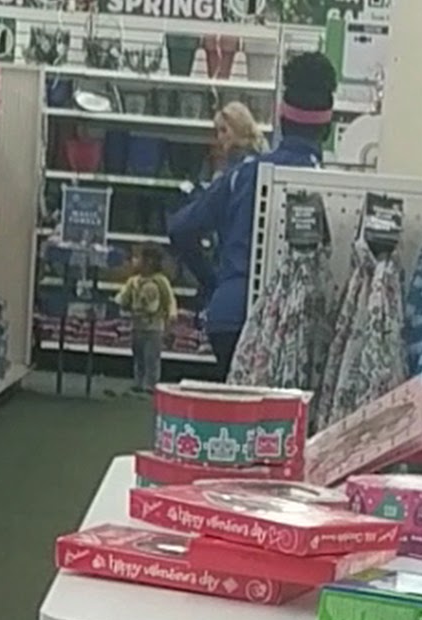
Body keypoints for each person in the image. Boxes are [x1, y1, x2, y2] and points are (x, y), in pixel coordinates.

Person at [168, 51, 335, 381]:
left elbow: (180, 228)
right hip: (293, 326)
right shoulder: (333, 190)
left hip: (231, 315)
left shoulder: (243, 174)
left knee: (235, 405)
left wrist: (217, 282)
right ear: (328, 128)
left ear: (280, 118)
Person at [115, 245, 177, 395]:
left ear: (149, 261)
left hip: (154, 327)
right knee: (138, 355)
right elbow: (123, 297)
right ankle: (138, 381)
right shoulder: (133, 281)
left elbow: (169, 300)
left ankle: (151, 384)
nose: (134, 261)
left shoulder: (160, 281)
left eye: (138, 258)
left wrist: (171, 316)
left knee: (152, 357)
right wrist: (122, 301)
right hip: (137, 326)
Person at [211, 99, 263, 169]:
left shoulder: (256, 161)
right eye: (217, 131)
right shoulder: (228, 157)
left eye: (224, 130)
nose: (219, 136)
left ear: (238, 127)